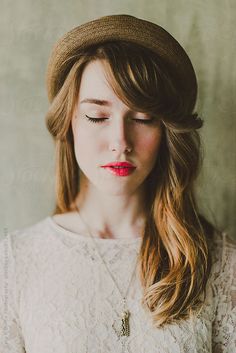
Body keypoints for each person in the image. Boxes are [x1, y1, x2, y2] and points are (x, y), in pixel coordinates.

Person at [0, 14, 235, 353]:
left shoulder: (219, 263)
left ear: (166, 131)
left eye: (142, 118)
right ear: (69, 123)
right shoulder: (14, 265)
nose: (120, 141)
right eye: (98, 116)